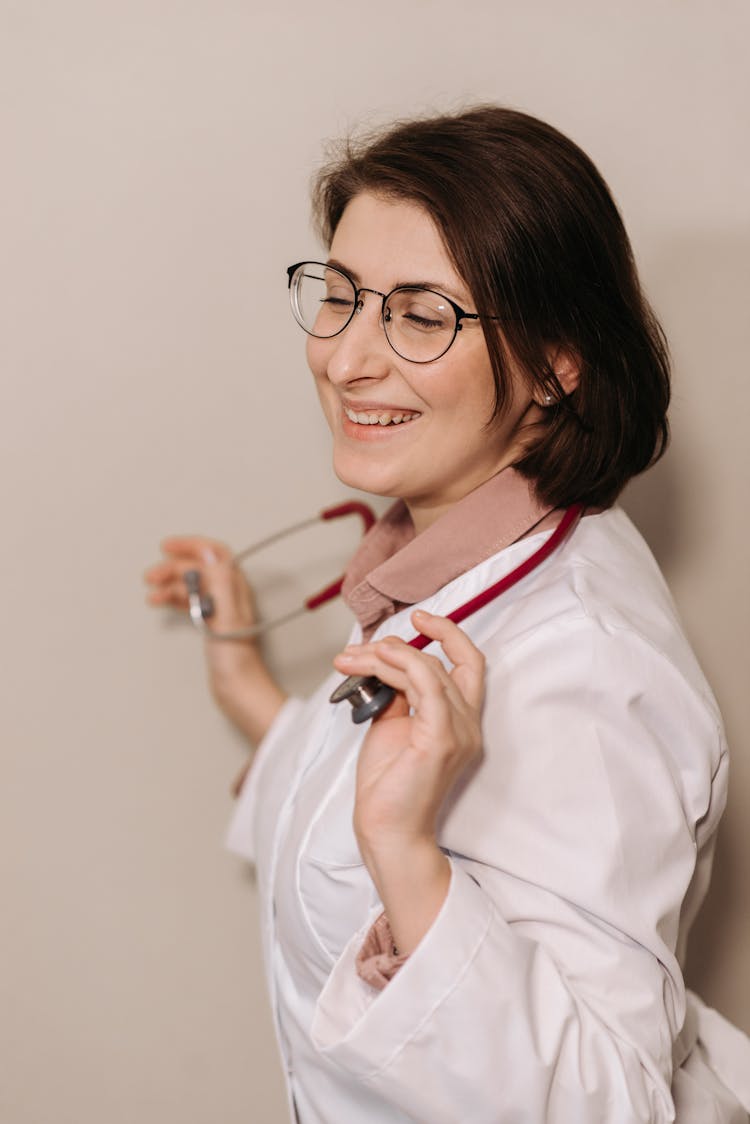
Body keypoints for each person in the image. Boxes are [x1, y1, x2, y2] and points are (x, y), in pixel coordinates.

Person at [144, 106, 750, 1123]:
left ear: (560, 363)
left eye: (422, 316)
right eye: (338, 298)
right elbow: (367, 786)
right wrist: (248, 682)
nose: (344, 360)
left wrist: (410, 861)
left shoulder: (587, 670)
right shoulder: (437, 558)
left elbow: (610, 1105)